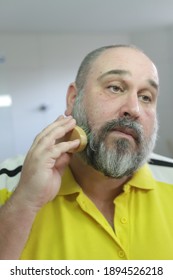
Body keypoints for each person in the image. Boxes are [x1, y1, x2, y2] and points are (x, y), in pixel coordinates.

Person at [0, 44, 173, 260]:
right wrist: (25, 202)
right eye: (115, 88)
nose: (134, 109)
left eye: (146, 97)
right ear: (74, 98)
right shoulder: (7, 183)